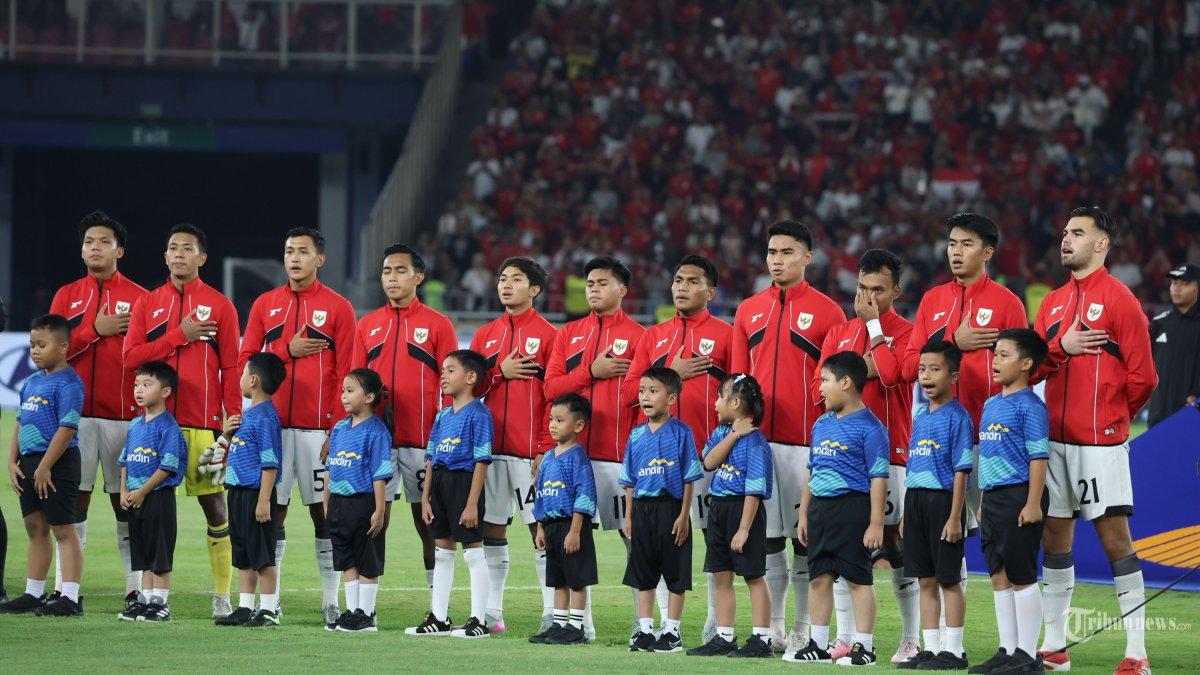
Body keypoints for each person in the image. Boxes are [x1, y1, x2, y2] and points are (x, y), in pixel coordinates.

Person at [1031, 207, 1157, 675]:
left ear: (1102, 244)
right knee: (1054, 537)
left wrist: (1110, 419)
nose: (1067, 240)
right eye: (1065, 232)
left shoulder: (1121, 300)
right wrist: (1057, 349)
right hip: (1054, 441)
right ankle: (1055, 646)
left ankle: (1138, 654)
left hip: (1099, 444)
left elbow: (1144, 377)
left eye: (1078, 233)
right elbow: (1036, 367)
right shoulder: (1053, 303)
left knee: (1114, 539)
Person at [900, 212, 1027, 644]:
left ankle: (1011, 645)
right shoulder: (932, 300)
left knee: (997, 542)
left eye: (966, 244)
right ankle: (943, 645)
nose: (956, 251)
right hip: (939, 439)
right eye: (952, 243)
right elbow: (909, 361)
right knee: (941, 542)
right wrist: (956, 340)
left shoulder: (1008, 302)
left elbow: (1021, 370)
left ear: (987, 251)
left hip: (989, 439)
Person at [731, 220, 844, 652]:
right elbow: (738, 385)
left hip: (807, 443)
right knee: (769, 539)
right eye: (772, 253)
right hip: (759, 445)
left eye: (788, 253)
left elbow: (834, 385)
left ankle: (802, 629)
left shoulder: (830, 312)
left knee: (805, 540)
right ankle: (774, 628)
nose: (778, 260)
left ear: (808, 257)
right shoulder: (748, 309)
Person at [238, 227, 360, 626]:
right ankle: (270, 606)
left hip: (318, 432)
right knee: (271, 512)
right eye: (289, 250)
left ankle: (331, 601)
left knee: (325, 517)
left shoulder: (339, 308)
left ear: (319, 259)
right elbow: (247, 360)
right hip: (271, 429)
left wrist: (338, 428)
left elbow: (349, 373)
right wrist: (284, 351)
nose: (294, 258)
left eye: (303, 251)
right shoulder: (264, 304)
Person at [122, 223, 240, 618]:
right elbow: (131, 357)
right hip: (155, 430)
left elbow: (230, 366)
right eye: (172, 247)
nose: (178, 254)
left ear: (201, 257)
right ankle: (153, 599)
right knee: (153, 513)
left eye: (187, 248)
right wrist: (179, 334)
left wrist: (229, 425)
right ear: (165, 256)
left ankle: (222, 596)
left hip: (203, 429)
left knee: (216, 509)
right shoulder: (147, 304)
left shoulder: (221, 306)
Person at [622, 254, 733, 645]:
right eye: (678, 279)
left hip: (712, 460)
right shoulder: (652, 337)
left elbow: (740, 394)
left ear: (711, 291)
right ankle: (654, 627)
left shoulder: (726, 334)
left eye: (693, 280)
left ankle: (715, 625)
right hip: (658, 466)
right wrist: (674, 371)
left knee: (714, 543)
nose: (682, 286)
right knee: (664, 543)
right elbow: (626, 393)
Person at [815, 248, 918, 663]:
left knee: (897, 543)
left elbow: (894, 373)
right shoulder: (838, 333)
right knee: (843, 546)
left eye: (877, 290)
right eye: (861, 288)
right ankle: (845, 636)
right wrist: (865, 367)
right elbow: (817, 389)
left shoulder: (909, 332)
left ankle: (911, 638)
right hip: (841, 459)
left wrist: (874, 332)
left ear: (896, 290)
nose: (867, 298)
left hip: (891, 451)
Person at [49, 211, 147, 607]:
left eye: (104, 241)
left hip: (126, 418)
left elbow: (148, 357)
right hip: (75, 420)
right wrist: (94, 330)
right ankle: (65, 589)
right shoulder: (66, 295)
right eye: (89, 241)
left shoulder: (142, 298)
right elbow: (49, 354)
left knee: (125, 502)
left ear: (119, 250)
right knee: (75, 502)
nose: (95, 248)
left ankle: (135, 588)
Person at [544, 255, 645, 641]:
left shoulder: (640, 337)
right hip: (573, 462)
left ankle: (644, 625)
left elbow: (645, 401)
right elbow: (550, 390)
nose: (593, 289)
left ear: (622, 289)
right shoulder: (567, 334)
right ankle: (576, 626)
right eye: (589, 283)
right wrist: (590, 372)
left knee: (636, 544)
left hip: (619, 459)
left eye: (603, 283)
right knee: (569, 542)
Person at [354, 244, 456, 590]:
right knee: (372, 517)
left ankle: (435, 601)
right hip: (375, 440)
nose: (392, 278)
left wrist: (445, 434)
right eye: (386, 271)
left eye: (400, 271)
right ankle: (364, 606)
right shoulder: (367, 324)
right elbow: (354, 383)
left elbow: (452, 384)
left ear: (418, 277)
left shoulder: (438, 325)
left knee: (427, 519)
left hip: (423, 440)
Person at [469, 257, 559, 633]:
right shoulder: (484, 334)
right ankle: (493, 613)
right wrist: (497, 373)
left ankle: (553, 612)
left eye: (516, 279)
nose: (506, 285)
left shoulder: (552, 336)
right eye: (502, 278)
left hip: (529, 453)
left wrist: (543, 446)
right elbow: (469, 389)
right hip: (491, 453)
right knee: (493, 529)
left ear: (534, 289)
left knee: (540, 530)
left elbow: (554, 396)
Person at [791, 352, 889, 667]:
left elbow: (878, 477)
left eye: (825, 380)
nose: (820, 388)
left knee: (858, 579)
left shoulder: (871, 427)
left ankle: (865, 647)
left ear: (846, 382)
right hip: (820, 509)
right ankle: (818, 645)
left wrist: (876, 522)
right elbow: (811, 470)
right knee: (818, 576)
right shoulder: (821, 423)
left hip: (852, 508)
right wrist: (804, 513)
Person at [970, 328, 1050, 675]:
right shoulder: (991, 404)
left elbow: (1038, 458)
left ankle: (1027, 655)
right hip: (995, 499)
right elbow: (988, 456)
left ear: (1026, 363)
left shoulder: (1031, 406)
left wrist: (1033, 503)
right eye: (995, 354)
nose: (995, 361)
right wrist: (985, 499)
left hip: (1020, 495)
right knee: (998, 574)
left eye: (1004, 355)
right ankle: (1008, 649)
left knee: (1022, 575)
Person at [0, 314, 86, 616]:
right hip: (30, 462)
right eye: (32, 345)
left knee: (63, 529)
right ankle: (33, 593)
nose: (35, 351)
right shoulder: (32, 382)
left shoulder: (70, 383)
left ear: (63, 347)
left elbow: (67, 428)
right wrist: (12, 460)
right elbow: (21, 421)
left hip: (57, 463)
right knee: (35, 528)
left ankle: (70, 598)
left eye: (42, 344)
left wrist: (46, 465)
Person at [405, 350, 493, 639]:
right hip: (440, 484)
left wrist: (471, 504)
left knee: (472, 552)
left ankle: (479, 620)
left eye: (450, 370)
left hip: (464, 483)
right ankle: (439, 618)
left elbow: (481, 461)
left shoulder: (479, 414)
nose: (443, 375)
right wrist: (426, 498)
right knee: (442, 551)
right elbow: (430, 459)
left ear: (470, 378)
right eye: (442, 370)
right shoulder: (442, 416)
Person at [897, 341, 974, 670]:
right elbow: (914, 465)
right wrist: (904, 512)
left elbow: (961, 470)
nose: (926, 376)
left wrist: (955, 516)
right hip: (915, 501)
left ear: (953, 376)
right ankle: (931, 649)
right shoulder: (918, 413)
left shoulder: (958, 417)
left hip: (943, 502)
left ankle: (954, 651)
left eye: (935, 369)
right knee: (924, 580)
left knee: (948, 579)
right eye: (922, 370)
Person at [686, 374, 775, 659]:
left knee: (753, 576)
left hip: (743, 510)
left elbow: (754, 490)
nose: (715, 403)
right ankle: (724, 637)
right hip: (720, 509)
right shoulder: (723, 433)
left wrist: (744, 529)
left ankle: (762, 640)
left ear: (735, 402)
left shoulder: (758, 442)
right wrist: (735, 434)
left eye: (720, 397)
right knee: (721, 575)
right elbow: (709, 462)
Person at [621, 367, 703, 654]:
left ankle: (671, 630)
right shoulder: (635, 436)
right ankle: (644, 630)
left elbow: (689, 477)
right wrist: (628, 516)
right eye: (642, 391)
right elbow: (629, 481)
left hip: (671, 509)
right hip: (642, 510)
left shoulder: (682, 433)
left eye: (653, 391)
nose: (645, 396)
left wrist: (683, 515)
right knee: (644, 571)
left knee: (675, 573)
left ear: (671, 399)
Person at [216, 352, 286, 628]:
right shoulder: (249, 414)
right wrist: (228, 434)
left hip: (257, 494)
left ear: (254, 380)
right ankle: (245, 607)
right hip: (238, 492)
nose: (241, 378)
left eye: (244, 373)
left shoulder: (265, 417)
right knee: (243, 553)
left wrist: (264, 500)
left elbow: (270, 463)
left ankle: (268, 610)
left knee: (262, 555)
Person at [117, 361, 186, 623]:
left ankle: (160, 604)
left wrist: (143, 491)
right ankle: (145, 602)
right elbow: (124, 461)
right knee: (144, 554)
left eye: (147, 385)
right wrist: (124, 491)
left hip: (157, 497)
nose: (139, 390)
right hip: (136, 499)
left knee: (160, 554)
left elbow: (167, 466)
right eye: (137, 385)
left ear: (165, 392)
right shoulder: (135, 425)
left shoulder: (168, 426)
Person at [324, 368, 393, 633]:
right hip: (339, 504)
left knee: (367, 559)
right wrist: (327, 502)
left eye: (350, 391)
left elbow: (379, 474)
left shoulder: (376, 431)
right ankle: (352, 613)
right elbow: (331, 468)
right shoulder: (340, 428)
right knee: (347, 560)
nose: (343, 396)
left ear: (369, 397)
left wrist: (378, 510)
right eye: (343, 390)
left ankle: (366, 615)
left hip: (363, 503)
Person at [528, 393, 598, 646]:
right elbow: (541, 496)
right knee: (558, 578)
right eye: (551, 419)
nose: (553, 425)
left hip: (572, 526)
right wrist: (540, 528)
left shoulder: (578, 457)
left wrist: (576, 530)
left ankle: (576, 627)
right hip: (553, 526)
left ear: (578, 425)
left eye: (559, 420)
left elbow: (585, 494)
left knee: (576, 579)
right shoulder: (548, 457)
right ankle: (559, 625)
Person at [1148, 263, 1200, 427]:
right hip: (1159, 414)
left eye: (1185, 284)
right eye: (1174, 283)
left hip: (1193, 413)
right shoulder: (1159, 323)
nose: (1177, 288)